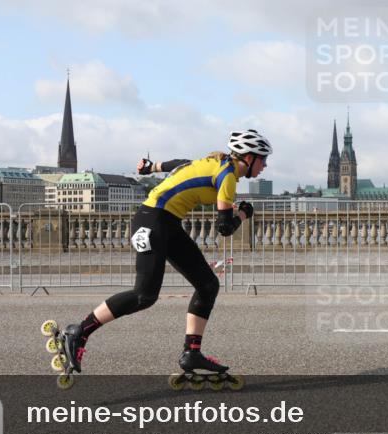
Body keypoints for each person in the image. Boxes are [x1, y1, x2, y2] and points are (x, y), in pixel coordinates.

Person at [59, 129, 272, 377]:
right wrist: (244, 214)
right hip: (152, 221)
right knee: (144, 295)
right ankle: (79, 331)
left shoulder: (214, 162)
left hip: (167, 224)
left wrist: (151, 167)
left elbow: (180, 164)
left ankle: (191, 353)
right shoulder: (228, 176)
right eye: (263, 159)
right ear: (249, 157)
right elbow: (224, 227)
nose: (264, 166)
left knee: (208, 285)